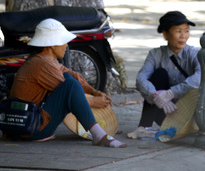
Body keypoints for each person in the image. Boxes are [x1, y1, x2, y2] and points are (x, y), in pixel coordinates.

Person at [9, 18, 127, 148]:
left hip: (23, 127)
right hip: (29, 129)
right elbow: (71, 92)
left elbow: (72, 75)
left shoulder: (44, 60)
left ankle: (98, 133)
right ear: (53, 44)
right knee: (70, 85)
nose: (66, 45)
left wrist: (93, 91)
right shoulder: (43, 64)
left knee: (69, 79)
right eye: (63, 42)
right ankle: (99, 135)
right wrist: (94, 101)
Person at [128, 10, 201, 139]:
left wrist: (171, 93)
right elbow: (140, 79)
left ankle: (169, 127)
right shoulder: (155, 54)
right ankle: (143, 127)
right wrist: (157, 97)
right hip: (165, 110)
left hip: (189, 112)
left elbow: (200, 77)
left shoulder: (194, 54)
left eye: (186, 31)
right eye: (178, 31)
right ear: (165, 34)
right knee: (159, 74)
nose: (183, 36)